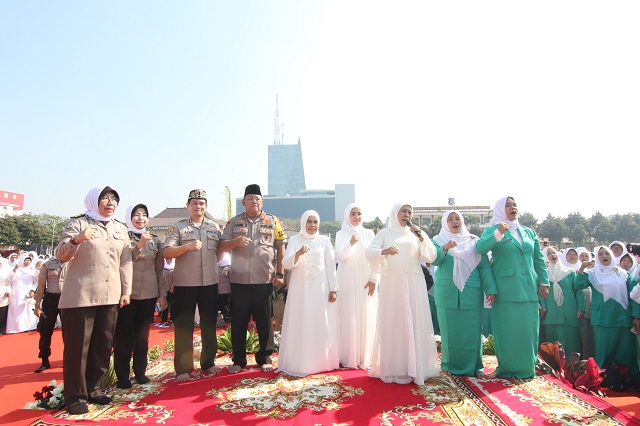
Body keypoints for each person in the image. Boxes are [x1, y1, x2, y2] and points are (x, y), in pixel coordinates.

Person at [55, 185, 132, 414]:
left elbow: (126, 261)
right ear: (93, 201)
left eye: (114, 199)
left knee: (102, 345)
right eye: (105, 198)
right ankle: (75, 396)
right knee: (78, 349)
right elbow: (61, 254)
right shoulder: (79, 223)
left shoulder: (120, 228)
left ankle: (94, 389)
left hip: (109, 296)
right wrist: (76, 240)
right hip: (81, 297)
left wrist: (126, 290)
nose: (110, 203)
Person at [366, 203, 440, 385]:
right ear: (394, 214)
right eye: (403, 211)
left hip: (414, 283)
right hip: (393, 284)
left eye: (410, 212)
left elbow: (431, 256)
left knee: (414, 321)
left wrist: (421, 236)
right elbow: (369, 252)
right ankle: (396, 368)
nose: (407, 215)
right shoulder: (385, 233)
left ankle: (417, 367)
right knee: (396, 322)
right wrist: (384, 251)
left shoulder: (416, 234)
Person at [476, 196, 550, 379]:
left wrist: (544, 281)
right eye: (507, 205)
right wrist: (498, 234)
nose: (512, 208)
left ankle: (527, 368)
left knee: (529, 330)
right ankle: (506, 369)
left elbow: (538, 259)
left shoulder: (529, 232)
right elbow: (480, 248)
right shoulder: (494, 229)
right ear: (501, 210)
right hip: (505, 290)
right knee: (507, 330)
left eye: (514, 204)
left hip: (528, 289)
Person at [219, 184, 287, 373]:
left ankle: (265, 357)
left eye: (257, 199)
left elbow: (281, 247)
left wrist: (280, 273)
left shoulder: (273, 221)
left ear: (262, 202)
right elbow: (222, 246)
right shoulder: (234, 222)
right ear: (243, 202)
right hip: (239, 281)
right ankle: (239, 360)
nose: (253, 202)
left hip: (264, 280)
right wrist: (235, 242)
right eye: (250, 198)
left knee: (265, 321)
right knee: (239, 321)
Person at [163, 189, 222, 382]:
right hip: (185, 285)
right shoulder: (178, 228)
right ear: (188, 206)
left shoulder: (214, 227)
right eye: (194, 203)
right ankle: (183, 368)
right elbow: (167, 252)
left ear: (206, 206)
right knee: (184, 326)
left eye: (201, 203)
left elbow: (220, 252)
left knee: (209, 324)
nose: (198, 207)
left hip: (209, 284)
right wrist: (186, 247)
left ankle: (208, 362)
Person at [431, 210, 497, 377]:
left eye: (457, 219)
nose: (455, 222)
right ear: (445, 223)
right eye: (450, 219)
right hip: (447, 292)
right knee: (449, 330)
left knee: (473, 331)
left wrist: (490, 289)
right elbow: (434, 260)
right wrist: (445, 248)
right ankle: (448, 365)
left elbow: (484, 267)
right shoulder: (438, 240)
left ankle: (476, 367)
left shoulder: (473, 241)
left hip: (471, 292)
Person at [277, 210, 339, 376]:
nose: (312, 225)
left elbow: (331, 266)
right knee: (302, 320)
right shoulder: (295, 240)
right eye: (309, 222)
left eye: (315, 222)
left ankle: (322, 361)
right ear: (303, 223)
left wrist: (333, 288)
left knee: (320, 320)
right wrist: (298, 253)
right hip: (301, 290)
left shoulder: (325, 241)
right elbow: (286, 263)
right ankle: (301, 362)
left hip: (321, 288)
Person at [113, 204, 168, 389]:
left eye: (144, 215)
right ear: (129, 217)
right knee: (123, 337)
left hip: (148, 294)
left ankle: (140, 372)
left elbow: (159, 269)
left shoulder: (154, 240)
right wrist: (138, 246)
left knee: (142, 337)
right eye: (136, 215)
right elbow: (123, 262)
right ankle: (122, 376)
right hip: (127, 294)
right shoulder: (121, 237)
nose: (140, 218)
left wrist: (162, 294)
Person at [576, 246, 640, 377]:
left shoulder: (623, 273)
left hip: (623, 318)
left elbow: (633, 296)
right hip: (602, 319)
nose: (604, 256)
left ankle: (626, 377)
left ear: (612, 256)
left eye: (607, 253)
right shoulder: (592, 274)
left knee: (625, 349)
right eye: (601, 254)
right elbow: (578, 284)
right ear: (597, 258)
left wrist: (636, 316)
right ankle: (602, 378)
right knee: (603, 351)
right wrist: (582, 269)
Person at [334, 203, 379, 370]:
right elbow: (340, 256)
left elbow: (376, 257)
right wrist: (351, 243)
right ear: (347, 216)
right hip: (347, 279)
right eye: (353, 213)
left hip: (366, 279)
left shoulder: (369, 233)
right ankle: (347, 356)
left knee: (366, 313)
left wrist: (374, 278)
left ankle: (365, 356)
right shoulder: (341, 234)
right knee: (348, 315)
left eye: (359, 213)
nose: (356, 217)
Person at [539, 247, 582, 356]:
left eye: (554, 252)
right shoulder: (543, 276)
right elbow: (539, 293)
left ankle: (573, 369)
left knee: (572, 344)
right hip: (551, 314)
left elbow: (578, 290)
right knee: (553, 345)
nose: (552, 255)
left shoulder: (569, 272)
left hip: (569, 313)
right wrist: (543, 308)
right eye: (548, 254)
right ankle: (556, 371)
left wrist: (581, 308)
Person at [33, 255, 65, 373]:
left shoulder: (74, 263)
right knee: (45, 330)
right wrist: (37, 306)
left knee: (69, 333)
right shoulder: (48, 264)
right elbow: (41, 286)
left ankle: (69, 360)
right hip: (50, 299)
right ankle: (44, 360)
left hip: (67, 300)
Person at [6, 254, 38, 334]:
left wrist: (32, 290)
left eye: (29, 260)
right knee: (17, 311)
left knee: (28, 310)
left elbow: (36, 282)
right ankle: (16, 328)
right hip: (18, 293)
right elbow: (10, 279)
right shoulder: (18, 270)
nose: (27, 262)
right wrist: (15, 269)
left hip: (28, 293)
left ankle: (29, 326)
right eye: (26, 260)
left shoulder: (32, 270)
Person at [576, 247, 595, 359]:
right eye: (581, 256)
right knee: (585, 340)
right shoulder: (577, 273)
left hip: (596, 312)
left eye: (586, 256)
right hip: (584, 312)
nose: (584, 258)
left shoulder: (596, 272)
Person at [217, 252, 232, 325]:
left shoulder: (229, 268)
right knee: (219, 307)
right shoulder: (217, 267)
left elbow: (231, 279)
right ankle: (220, 321)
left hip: (226, 291)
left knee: (226, 307)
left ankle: (228, 320)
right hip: (218, 291)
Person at [160, 258, 175, 327]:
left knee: (172, 304)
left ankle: (172, 319)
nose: (168, 261)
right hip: (165, 289)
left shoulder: (174, 269)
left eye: (170, 260)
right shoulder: (163, 269)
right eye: (167, 260)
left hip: (172, 290)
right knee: (164, 304)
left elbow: (175, 279)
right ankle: (164, 319)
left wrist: (172, 287)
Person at [0, 257, 11, 335]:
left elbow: (8, 283)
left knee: (2, 312)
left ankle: (1, 329)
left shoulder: (5, 272)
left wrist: (8, 291)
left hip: (3, 293)